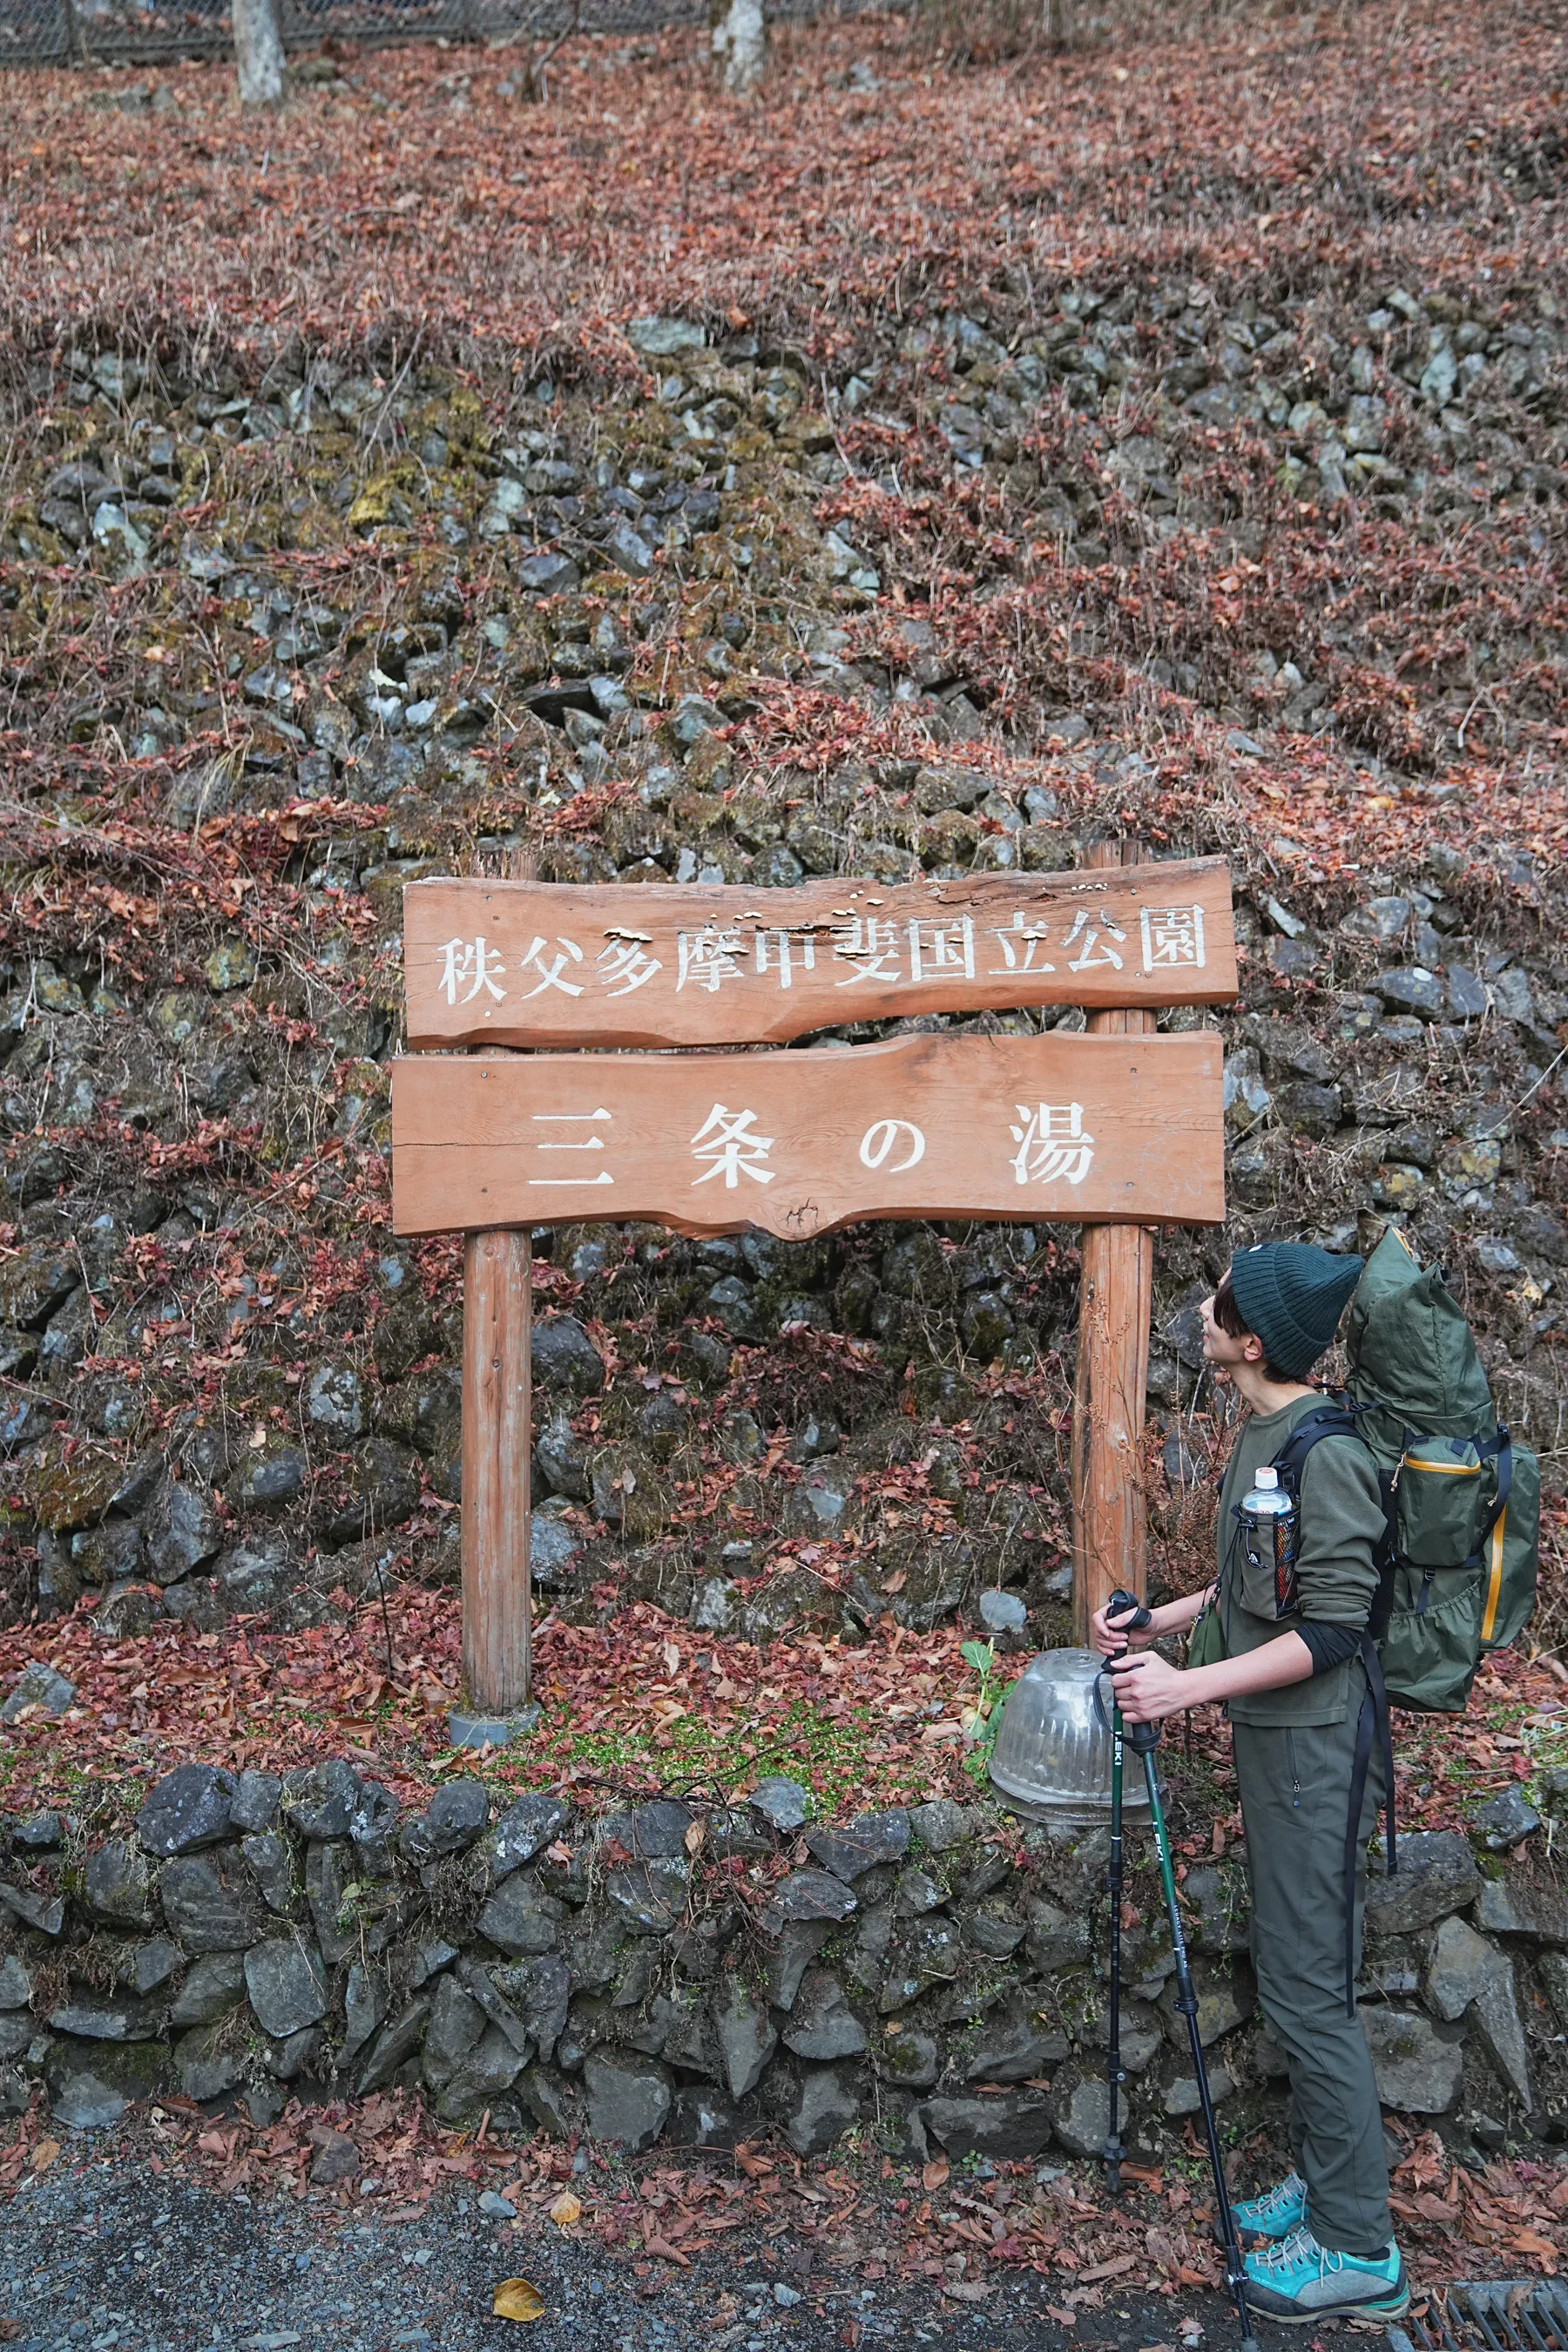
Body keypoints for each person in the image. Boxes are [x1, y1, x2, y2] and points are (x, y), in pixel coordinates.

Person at [1092, 1240, 1407, 2325]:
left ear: (1254, 1338)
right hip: (1278, 1744)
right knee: (1292, 1974)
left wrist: (1186, 1692)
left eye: (1220, 1302)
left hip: (1316, 1751)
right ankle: (1326, 2194)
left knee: (1313, 1994)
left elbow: (1329, 1629)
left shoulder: (1329, 1453)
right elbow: (1251, 1585)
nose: (1202, 1306)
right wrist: (1160, 1622)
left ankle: (1358, 2246)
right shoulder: (1264, 1429)